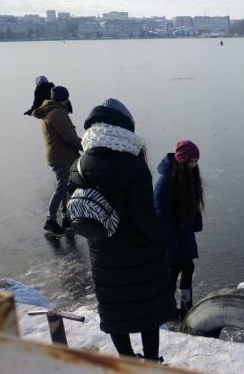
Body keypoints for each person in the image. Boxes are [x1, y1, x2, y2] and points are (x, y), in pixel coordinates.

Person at [68, 98, 175, 361]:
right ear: (124, 128)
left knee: (116, 312)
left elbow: (74, 213)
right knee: (147, 313)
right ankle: (150, 362)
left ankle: (127, 360)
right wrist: (165, 241)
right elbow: (146, 219)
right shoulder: (131, 166)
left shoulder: (78, 165)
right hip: (138, 256)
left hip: (102, 254)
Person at [154, 140, 204, 318]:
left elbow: (191, 204)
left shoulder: (187, 178)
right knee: (173, 272)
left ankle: (184, 306)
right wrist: (171, 247)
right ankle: (169, 308)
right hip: (172, 238)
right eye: (192, 161)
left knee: (186, 268)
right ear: (182, 161)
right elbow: (161, 216)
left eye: (196, 161)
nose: (194, 165)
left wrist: (196, 222)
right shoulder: (166, 182)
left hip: (183, 234)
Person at [31, 86, 82, 235]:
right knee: (62, 188)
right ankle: (50, 220)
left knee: (66, 187)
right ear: (65, 99)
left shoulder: (50, 111)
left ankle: (66, 217)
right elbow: (69, 137)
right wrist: (88, 146)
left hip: (60, 155)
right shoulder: (57, 114)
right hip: (62, 157)